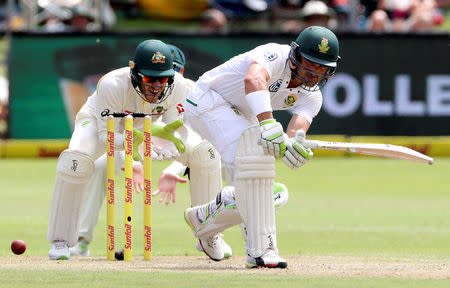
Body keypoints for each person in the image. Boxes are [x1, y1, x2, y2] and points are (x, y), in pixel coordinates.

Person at [183, 26, 340, 268]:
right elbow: (253, 79)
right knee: (254, 162)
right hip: (207, 99)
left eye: (322, 67)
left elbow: (294, 134)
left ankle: (204, 219)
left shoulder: (313, 96)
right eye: (310, 62)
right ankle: (261, 252)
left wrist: (293, 148)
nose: (314, 72)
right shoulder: (275, 54)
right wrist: (267, 124)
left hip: (240, 116)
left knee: (271, 192)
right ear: (296, 56)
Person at [67, 43, 233, 260]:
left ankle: (210, 235)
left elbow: (191, 138)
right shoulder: (123, 87)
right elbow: (113, 133)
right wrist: (132, 163)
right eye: (151, 77)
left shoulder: (189, 91)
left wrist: (175, 169)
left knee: (210, 156)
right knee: (99, 166)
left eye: (164, 76)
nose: (157, 84)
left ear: (177, 73)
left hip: (166, 144)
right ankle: (80, 240)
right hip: (130, 140)